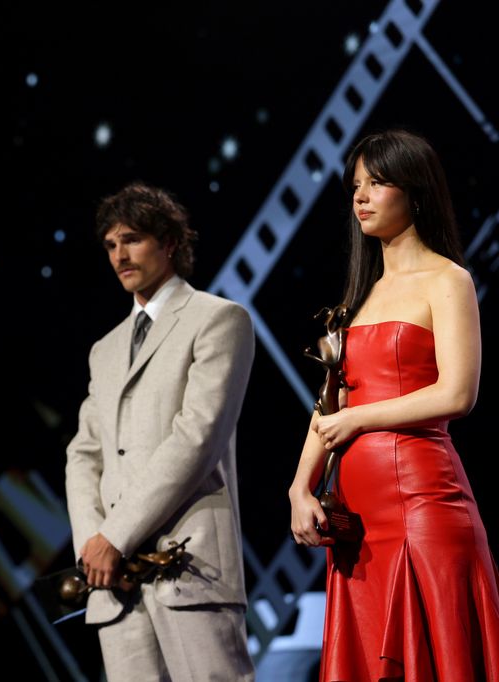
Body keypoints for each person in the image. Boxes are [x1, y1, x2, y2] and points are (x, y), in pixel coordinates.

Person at [288, 129, 499, 679]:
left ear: (417, 192)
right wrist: (299, 487)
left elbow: (457, 394)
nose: (360, 196)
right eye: (356, 184)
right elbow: (328, 403)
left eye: (377, 183)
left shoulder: (447, 279)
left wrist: (358, 418)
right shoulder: (360, 297)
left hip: (424, 505)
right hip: (359, 522)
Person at [65, 183, 255, 681]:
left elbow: (198, 436)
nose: (119, 255)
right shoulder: (104, 349)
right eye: (110, 244)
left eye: (132, 239)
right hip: (114, 581)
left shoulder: (218, 319)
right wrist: (93, 543)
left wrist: (117, 536)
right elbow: (84, 454)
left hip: (187, 564)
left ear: (169, 242)